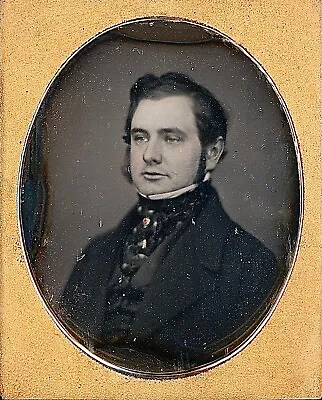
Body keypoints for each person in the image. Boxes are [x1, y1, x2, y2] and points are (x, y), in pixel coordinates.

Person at [59, 72, 279, 371]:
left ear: (212, 152)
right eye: (140, 137)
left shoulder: (250, 265)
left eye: (172, 138)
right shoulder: (95, 254)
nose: (150, 155)